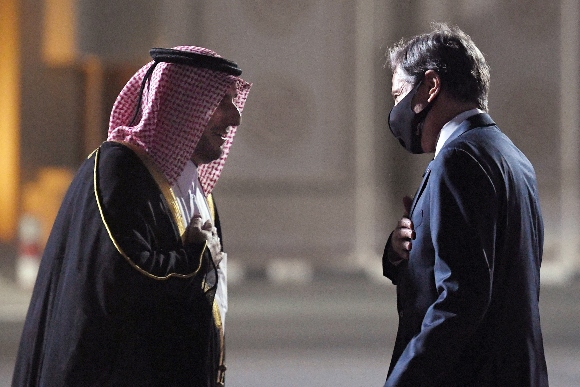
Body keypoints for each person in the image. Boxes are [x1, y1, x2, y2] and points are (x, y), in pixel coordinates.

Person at [12, 46, 251, 386]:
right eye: (220, 101)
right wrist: (195, 258)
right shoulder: (120, 170)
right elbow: (122, 280)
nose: (234, 117)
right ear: (183, 106)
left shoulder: (197, 189)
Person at [382, 24, 548, 386]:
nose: (396, 111)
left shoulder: (457, 160)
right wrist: (400, 251)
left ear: (430, 87)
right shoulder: (510, 155)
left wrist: (404, 380)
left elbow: (461, 299)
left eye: (398, 95)